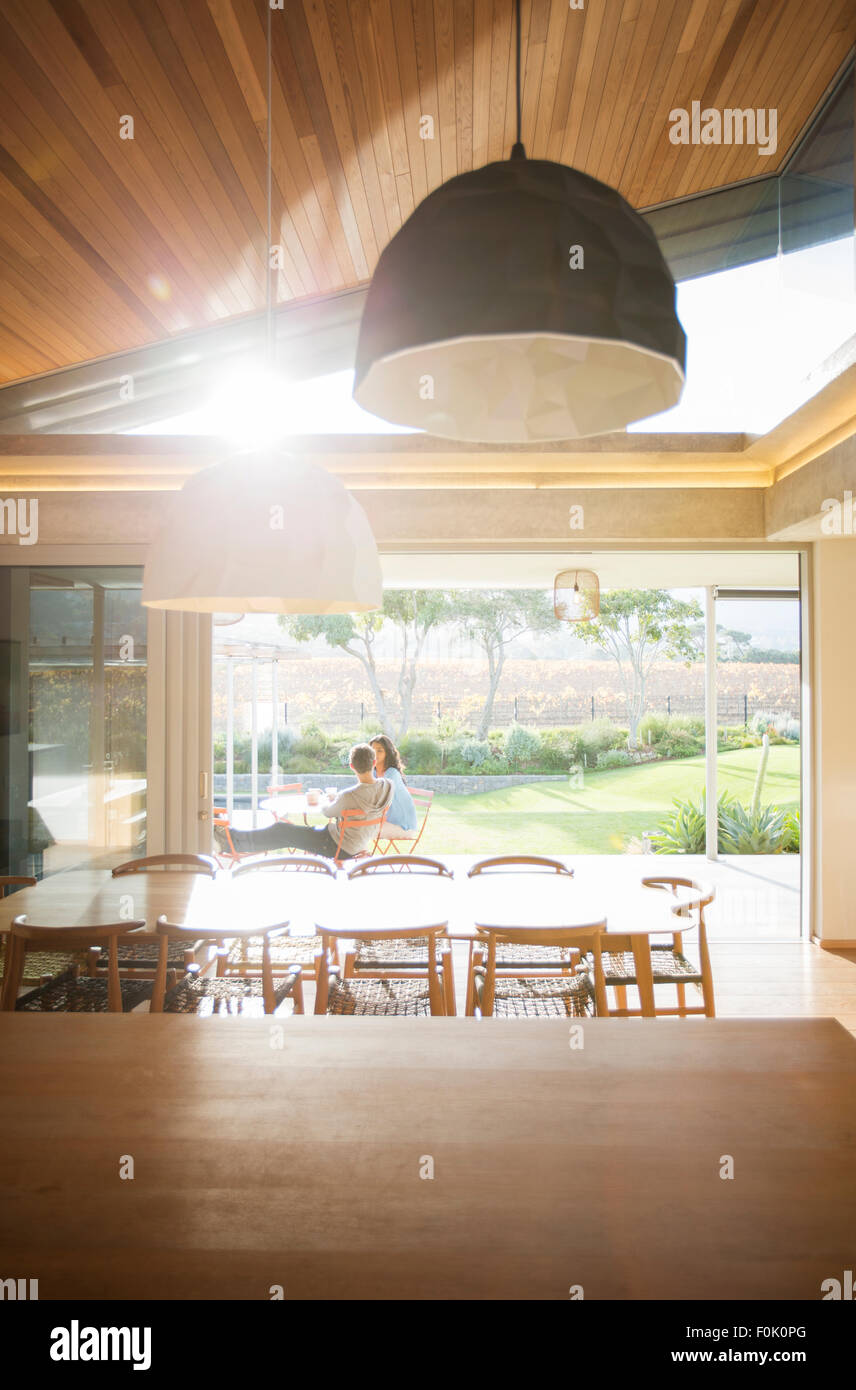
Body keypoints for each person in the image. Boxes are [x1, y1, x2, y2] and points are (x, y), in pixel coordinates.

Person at [214, 743, 392, 860]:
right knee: (284, 833)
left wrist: (332, 800)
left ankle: (230, 841)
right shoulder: (388, 787)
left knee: (282, 830)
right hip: (357, 844)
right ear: (374, 762)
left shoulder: (348, 796)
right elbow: (366, 799)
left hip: (337, 846)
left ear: (352, 766)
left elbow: (327, 813)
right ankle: (232, 840)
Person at [369, 734, 418, 841]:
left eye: (380, 750)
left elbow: (377, 799)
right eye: (372, 750)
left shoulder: (392, 774)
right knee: (355, 827)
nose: (375, 754)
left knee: (360, 830)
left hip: (403, 826)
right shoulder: (374, 772)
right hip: (387, 822)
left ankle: (363, 856)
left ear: (388, 753)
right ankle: (361, 855)